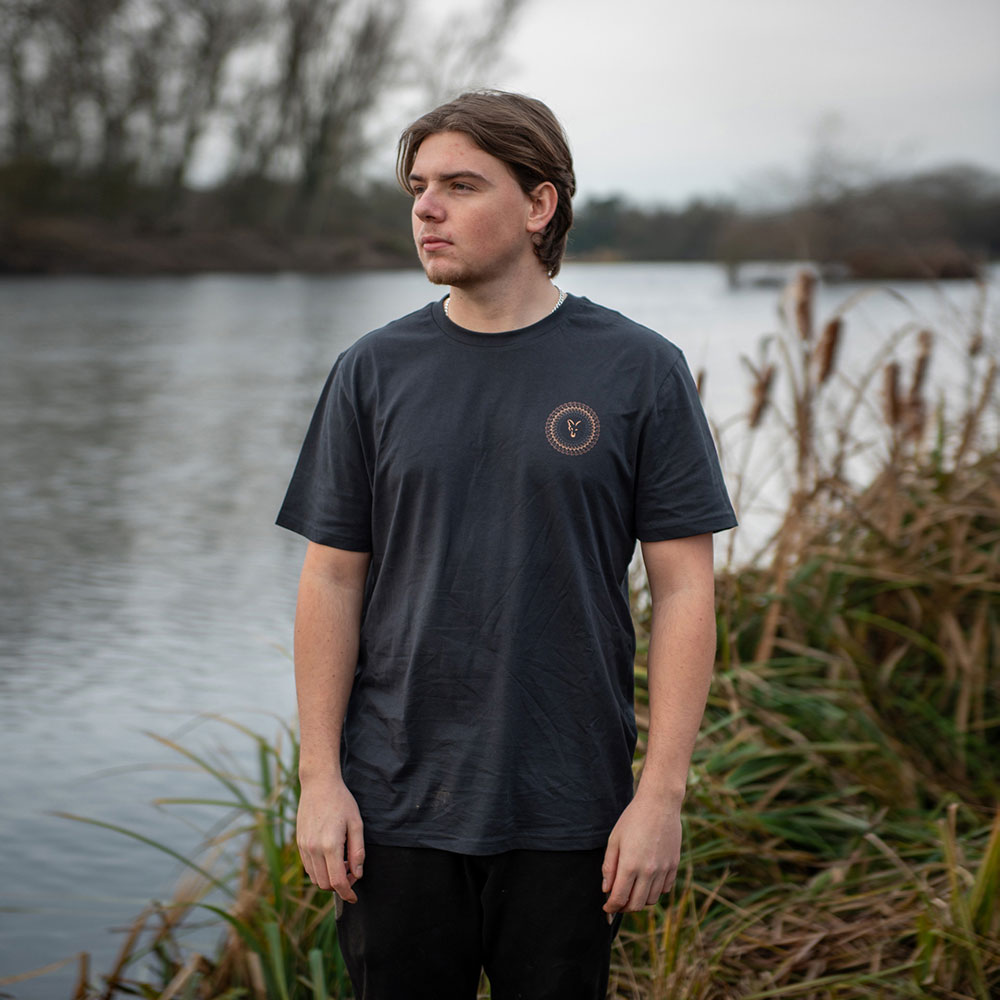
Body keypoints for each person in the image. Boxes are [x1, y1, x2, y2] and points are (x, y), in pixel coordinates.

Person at [276, 90, 737, 999]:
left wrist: (660, 797)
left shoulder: (639, 368)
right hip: (394, 805)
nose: (427, 209)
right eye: (417, 187)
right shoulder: (372, 370)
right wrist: (320, 780)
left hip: (570, 804)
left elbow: (686, 590)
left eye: (460, 185)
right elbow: (330, 580)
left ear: (538, 205)